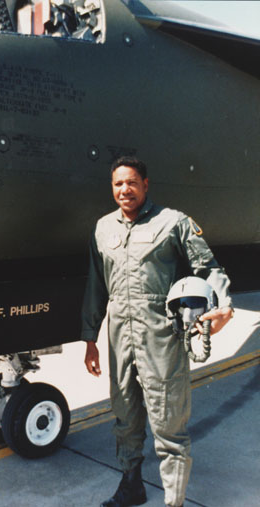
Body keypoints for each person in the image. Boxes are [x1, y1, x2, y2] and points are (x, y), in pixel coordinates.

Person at [81, 156, 233, 507]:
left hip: (162, 337)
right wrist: (90, 338)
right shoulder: (103, 229)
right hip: (120, 337)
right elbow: (95, 286)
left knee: (168, 423)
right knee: (125, 415)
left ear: (146, 185)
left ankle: (174, 501)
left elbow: (207, 267)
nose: (125, 190)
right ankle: (131, 485)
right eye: (118, 184)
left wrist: (223, 305)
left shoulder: (174, 223)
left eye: (132, 182)